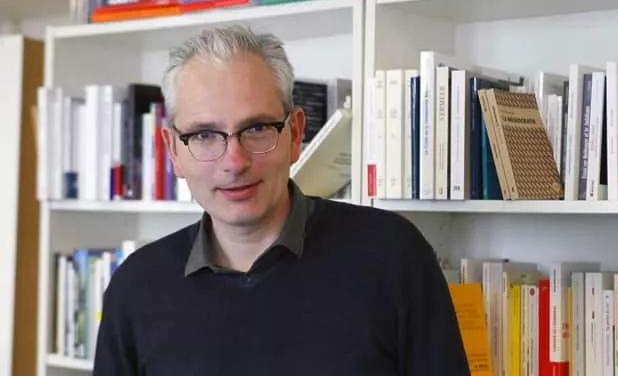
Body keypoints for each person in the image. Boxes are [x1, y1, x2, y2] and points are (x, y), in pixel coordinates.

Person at [94, 25, 469, 376]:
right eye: (204, 135)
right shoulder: (135, 288)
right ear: (173, 150)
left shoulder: (394, 256)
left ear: (295, 133)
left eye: (257, 128)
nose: (234, 162)